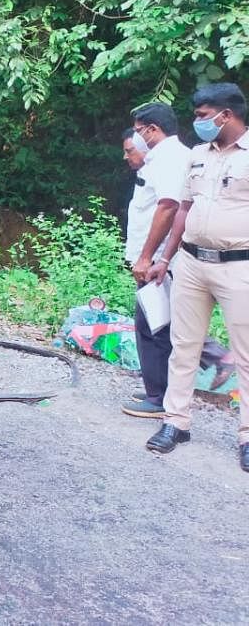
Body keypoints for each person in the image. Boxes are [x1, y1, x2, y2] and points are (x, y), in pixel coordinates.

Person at [144, 83, 249, 473]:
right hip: (191, 263)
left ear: (227, 114)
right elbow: (183, 210)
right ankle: (176, 422)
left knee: (246, 354)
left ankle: (247, 435)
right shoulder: (198, 155)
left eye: (203, 116)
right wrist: (164, 257)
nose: (198, 123)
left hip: (239, 265)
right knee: (183, 345)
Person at [119, 117, 231, 418]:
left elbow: (169, 207)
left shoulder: (169, 158)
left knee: (155, 326)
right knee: (163, 323)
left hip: (160, 261)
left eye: (139, 133)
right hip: (163, 258)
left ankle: (159, 398)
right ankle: (161, 391)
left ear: (152, 130)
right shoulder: (170, 157)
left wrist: (150, 257)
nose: (131, 150)